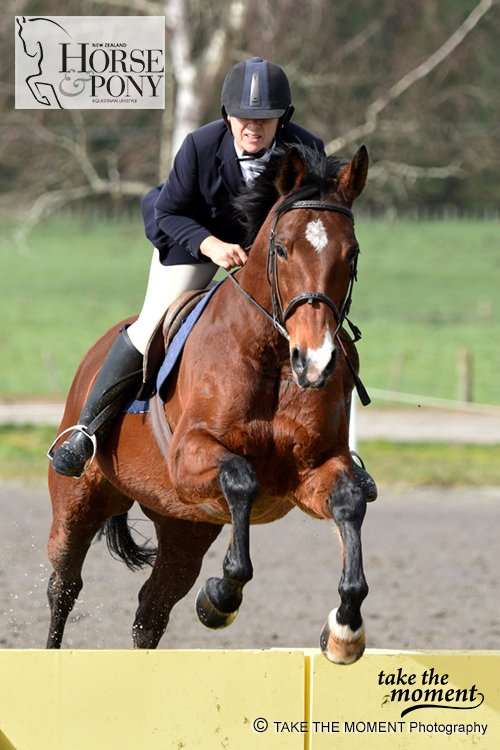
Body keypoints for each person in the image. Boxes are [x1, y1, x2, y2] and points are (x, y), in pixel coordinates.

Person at [50, 57, 376, 503]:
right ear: (227, 115)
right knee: (150, 327)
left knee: (327, 339)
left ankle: (347, 455)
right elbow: (169, 212)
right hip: (192, 244)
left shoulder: (306, 149)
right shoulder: (200, 146)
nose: (253, 127)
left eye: (265, 118)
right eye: (244, 117)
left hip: (267, 259)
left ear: (283, 117)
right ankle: (87, 430)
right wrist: (212, 247)